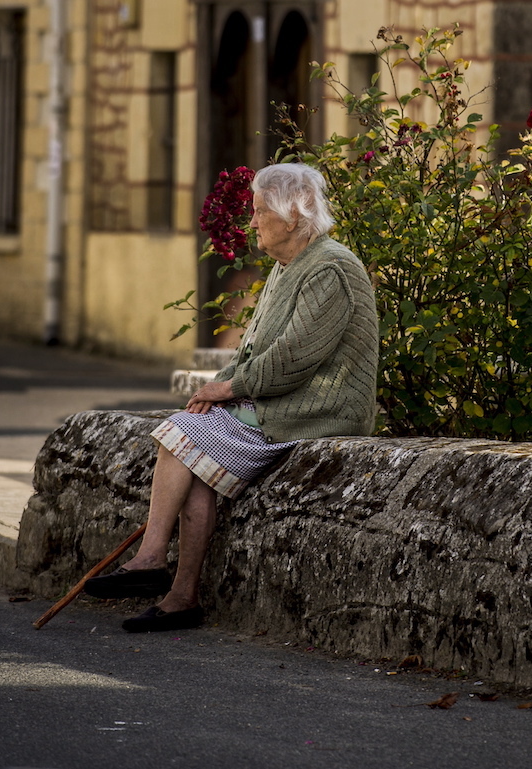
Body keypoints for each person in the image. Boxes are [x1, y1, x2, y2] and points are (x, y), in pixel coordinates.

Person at [82, 162, 380, 632]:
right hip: (276, 404)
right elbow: (251, 353)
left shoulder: (331, 267)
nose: (252, 222)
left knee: (180, 434)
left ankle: (151, 560)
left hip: (316, 412)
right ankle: (181, 598)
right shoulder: (288, 266)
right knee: (196, 460)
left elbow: (294, 356)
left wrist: (228, 388)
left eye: (260, 211)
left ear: (295, 215)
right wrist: (215, 389)